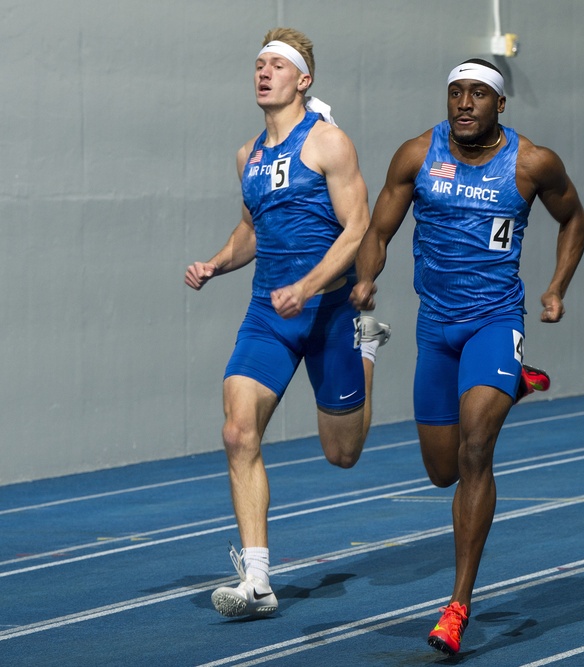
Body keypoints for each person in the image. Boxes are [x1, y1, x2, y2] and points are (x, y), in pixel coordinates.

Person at [350, 59, 584, 655]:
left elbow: (573, 218)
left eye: (478, 94)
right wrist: (365, 278)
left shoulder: (532, 163)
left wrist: (555, 287)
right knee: (443, 470)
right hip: (437, 328)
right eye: (455, 92)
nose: (463, 103)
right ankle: (515, 382)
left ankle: (456, 605)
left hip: (494, 321)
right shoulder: (416, 155)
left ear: (500, 105)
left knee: (476, 449)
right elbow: (378, 231)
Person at [184, 27, 390, 618]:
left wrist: (308, 286)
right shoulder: (248, 155)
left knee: (342, 454)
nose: (263, 71)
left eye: (276, 64)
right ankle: (258, 581)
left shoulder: (328, 143)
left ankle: (368, 349)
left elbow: (356, 230)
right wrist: (216, 263)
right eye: (257, 63)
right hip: (268, 316)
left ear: (303, 80)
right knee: (236, 431)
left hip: (326, 314)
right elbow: (250, 230)